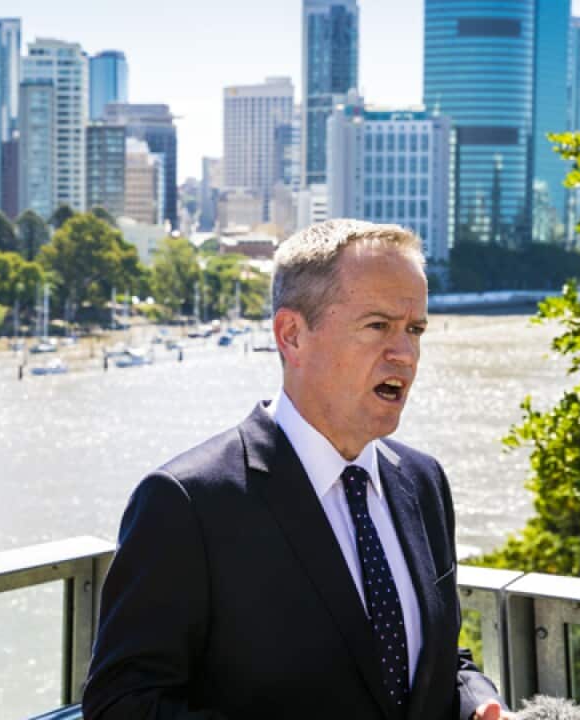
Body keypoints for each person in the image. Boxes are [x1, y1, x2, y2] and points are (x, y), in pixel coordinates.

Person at [83, 220, 514, 720]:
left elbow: (443, 661)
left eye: (414, 329)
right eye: (378, 326)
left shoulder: (423, 481)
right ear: (292, 335)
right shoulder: (187, 502)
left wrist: (480, 703)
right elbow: (121, 706)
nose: (405, 354)